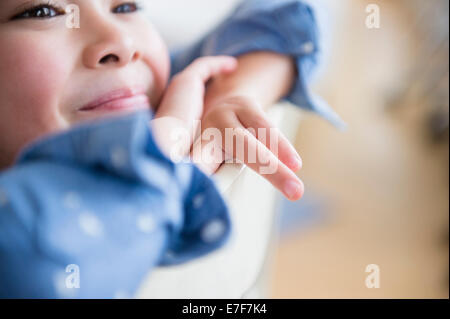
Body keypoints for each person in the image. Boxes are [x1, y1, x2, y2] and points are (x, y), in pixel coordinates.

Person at [0, 0, 341, 298]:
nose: (121, 41)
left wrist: (230, 94)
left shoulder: (165, 92)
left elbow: (287, 11)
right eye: (42, 11)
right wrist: (163, 146)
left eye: (125, 7)